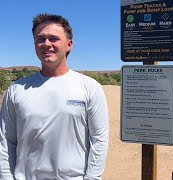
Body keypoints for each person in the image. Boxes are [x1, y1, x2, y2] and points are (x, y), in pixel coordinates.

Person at [0, 13, 109, 180]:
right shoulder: (16, 90)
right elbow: (6, 142)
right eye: (40, 39)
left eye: (53, 38)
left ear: (69, 44)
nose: (46, 44)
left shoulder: (89, 87)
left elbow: (99, 141)